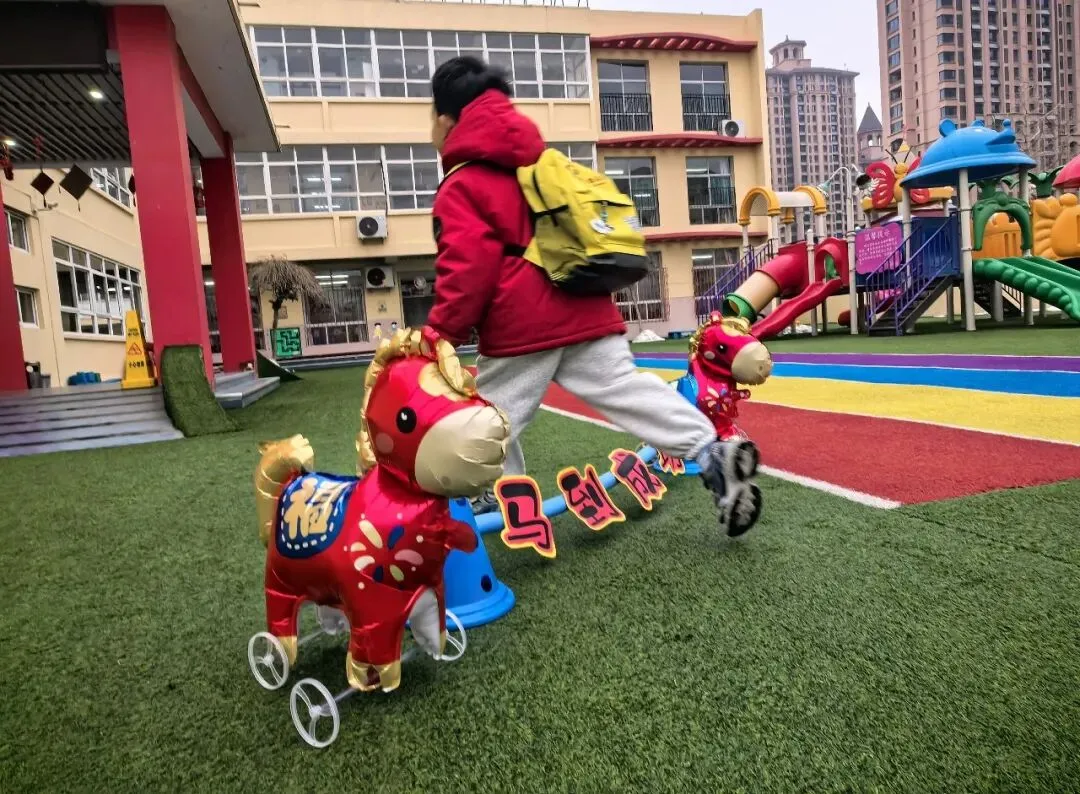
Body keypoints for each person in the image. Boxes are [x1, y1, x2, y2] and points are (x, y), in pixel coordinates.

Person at [425, 56, 763, 537]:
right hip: (585, 299)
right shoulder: (540, 161)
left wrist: (440, 335)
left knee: (488, 416)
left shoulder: (463, 183)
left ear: (446, 118)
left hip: (523, 324)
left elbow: (467, 269)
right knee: (625, 388)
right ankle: (712, 452)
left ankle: (488, 499)